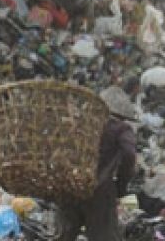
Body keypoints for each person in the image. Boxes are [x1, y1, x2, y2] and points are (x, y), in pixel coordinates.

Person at [56, 97, 138, 241]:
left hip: (69, 187)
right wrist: (121, 184)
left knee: (64, 235)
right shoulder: (121, 129)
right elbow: (130, 154)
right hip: (99, 190)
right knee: (103, 236)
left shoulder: (80, 123)